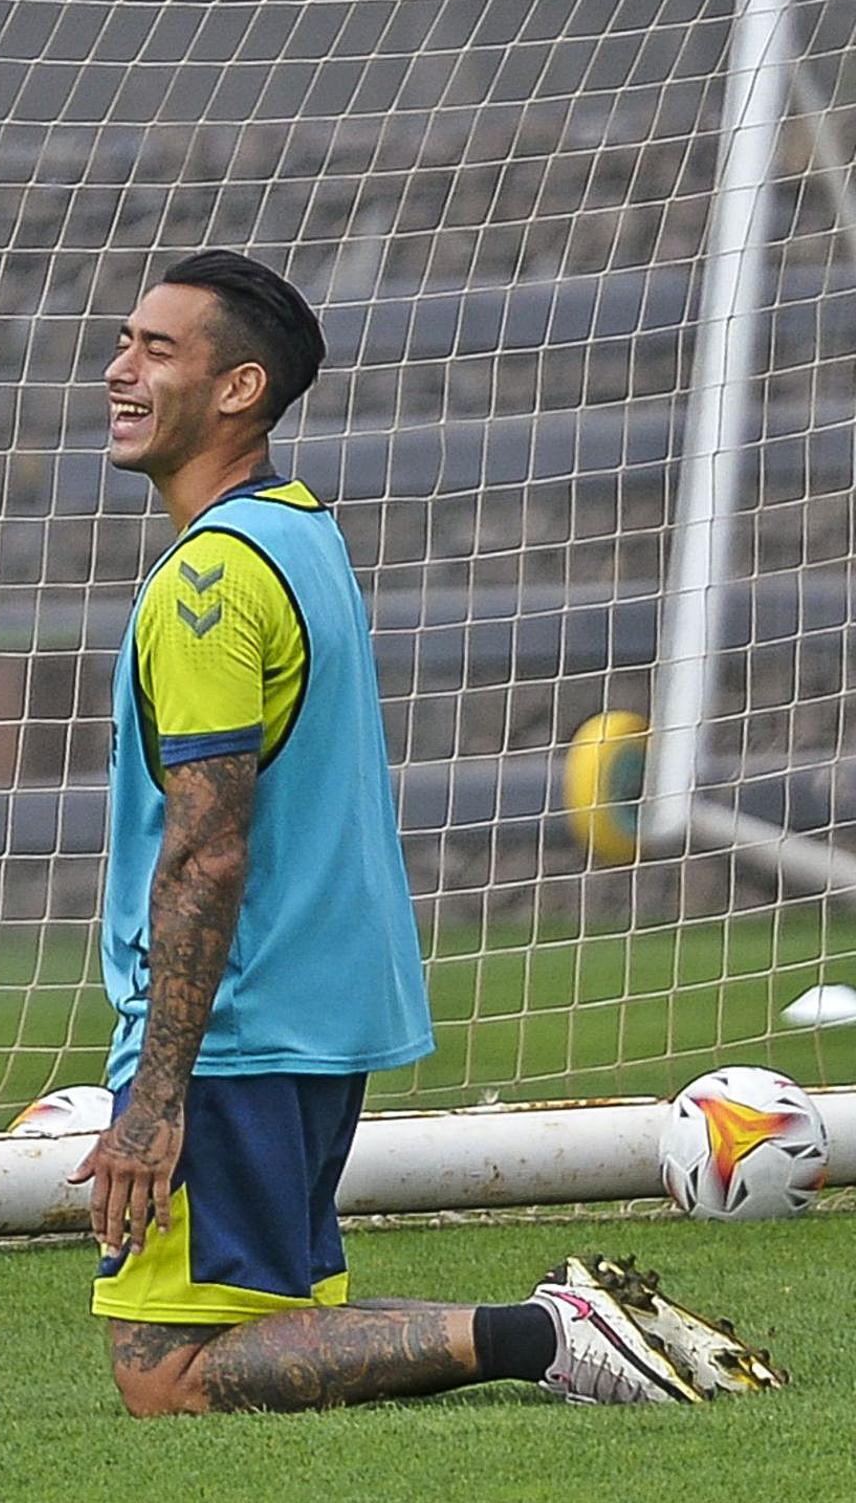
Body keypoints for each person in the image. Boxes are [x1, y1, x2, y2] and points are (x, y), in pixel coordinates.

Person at [69, 250, 783, 1416]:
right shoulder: (298, 533)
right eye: (122, 344)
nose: (118, 370)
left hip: (240, 1026)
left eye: (155, 349)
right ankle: (557, 1331)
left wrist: (155, 1099)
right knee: (272, 1325)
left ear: (239, 389)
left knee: (169, 1377)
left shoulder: (207, 581)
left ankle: (550, 1332)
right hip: (314, 1010)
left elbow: (207, 848)